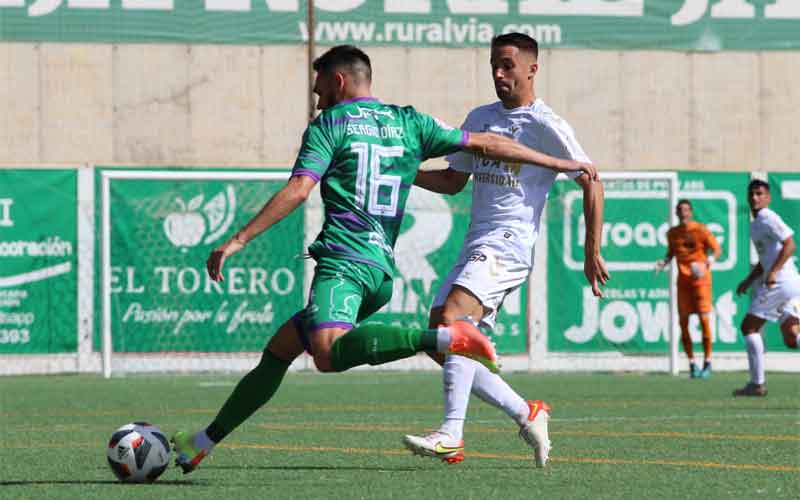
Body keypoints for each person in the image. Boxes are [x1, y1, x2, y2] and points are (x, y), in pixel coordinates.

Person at [170, 44, 597, 473]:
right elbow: (487, 144)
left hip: (344, 263)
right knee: (281, 349)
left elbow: (299, 189)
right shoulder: (408, 122)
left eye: (319, 91)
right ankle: (202, 441)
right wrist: (557, 162)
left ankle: (446, 344)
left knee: (326, 353)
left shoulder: (329, 125)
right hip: (379, 272)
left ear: (338, 83)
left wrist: (239, 239)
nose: (317, 102)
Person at [402, 33, 608, 468]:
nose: (499, 73)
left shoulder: (546, 125)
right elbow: (454, 181)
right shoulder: (480, 117)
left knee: (453, 320)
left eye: (508, 65)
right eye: (494, 64)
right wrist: (407, 173)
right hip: (476, 242)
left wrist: (592, 249)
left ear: (532, 69)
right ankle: (525, 411)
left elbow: (591, 179)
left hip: (509, 245)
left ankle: (450, 434)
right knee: (440, 339)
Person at [733, 179, 800, 397]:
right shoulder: (756, 224)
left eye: (760, 193)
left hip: (780, 282)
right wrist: (749, 279)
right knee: (791, 336)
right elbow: (766, 259)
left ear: (768, 197)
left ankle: (757, 383)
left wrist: (773, 272)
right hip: (789, 282)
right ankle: (756, 383)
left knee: (749, 327)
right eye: (751, 194)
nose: (755, 197)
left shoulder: (768, 218)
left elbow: (790, 244)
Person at [655, 199, 721, 378]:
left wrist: (708, 261)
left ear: (691, 212)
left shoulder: (701, 230)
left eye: (685, 209)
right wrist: (664, 262)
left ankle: (707, 363)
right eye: (679, 210)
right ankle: (692, 364)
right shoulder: (673, 233)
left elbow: (716, 249)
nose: (682, 212)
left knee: (704, 321)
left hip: (701, 282)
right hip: (683, 282)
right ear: (676, 213)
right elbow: (671, 253)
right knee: (683, 323)